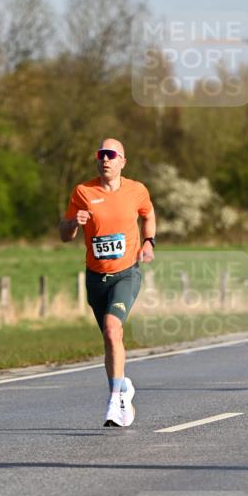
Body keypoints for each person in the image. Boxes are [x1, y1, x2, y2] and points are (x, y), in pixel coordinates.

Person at [59, 138, 156, 427]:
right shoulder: (83, 191)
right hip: (95, 276)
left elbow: (148, 215)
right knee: (108, 337)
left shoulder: (137, 190)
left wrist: (148, 241)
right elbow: (64, 235)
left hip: (126, 272)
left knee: (114, 330)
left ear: (122, 161)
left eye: (111, 155)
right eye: (101, 155)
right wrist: (73, 222)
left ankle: (114, 399)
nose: (105, 159)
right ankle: (122, 388)